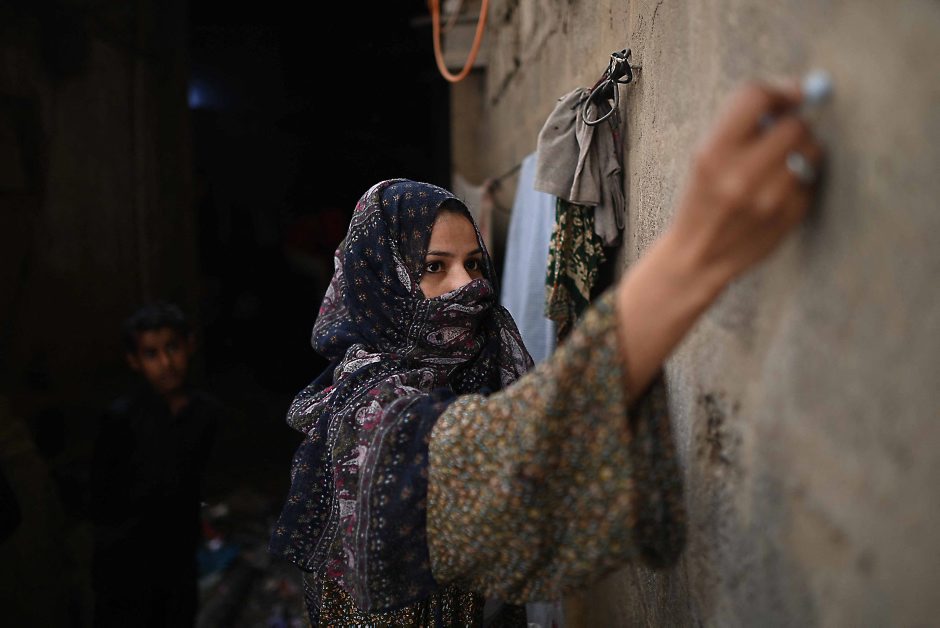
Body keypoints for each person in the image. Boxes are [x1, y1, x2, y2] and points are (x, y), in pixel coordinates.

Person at [269, 82, 823, 625]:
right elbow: (505, 448)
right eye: (434, 267)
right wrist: (693, 254)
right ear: (380, 284)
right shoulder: (365, 413)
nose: (468, 286)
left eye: (475, 264)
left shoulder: (481, 367)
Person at [91, 301, 222, 627]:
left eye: (172, 348)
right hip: (128, 559)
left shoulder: (204, 413)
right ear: (134, 361)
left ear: (189, 345)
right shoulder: (122, 418)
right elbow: (102, 495)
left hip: (179, 553)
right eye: (151, 354)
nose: (166, 363)